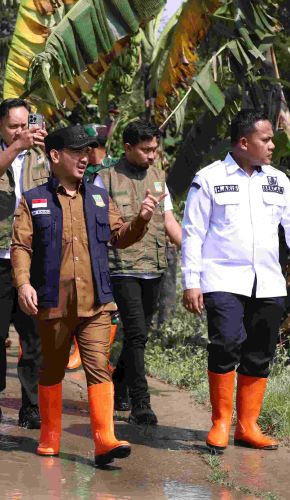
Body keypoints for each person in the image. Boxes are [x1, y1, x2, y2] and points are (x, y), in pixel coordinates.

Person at [11, 125, 166, 466]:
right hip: (53, 303)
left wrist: (140, 220)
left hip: (96, 303)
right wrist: (23, 283)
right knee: (51, 370)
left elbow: (119, 237)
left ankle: (104, 440)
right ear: (55, 156)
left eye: (88, 151)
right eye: (76, 152)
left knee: (99, 367)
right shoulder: (33, 200)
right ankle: (50, 435)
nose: (85, 158)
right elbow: (21, 246)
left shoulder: (98, 197)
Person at [181, 109, 290, 453]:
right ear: (244, 142)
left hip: (268, 282)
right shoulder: (209, 178)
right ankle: (220, 421)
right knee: (226, 343)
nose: (272, 145)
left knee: (260, 352)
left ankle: (247, 425)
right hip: (222, 279)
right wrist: (192, 280)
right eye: (266, 139)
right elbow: (192, 233)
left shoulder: (278, 180)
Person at [92, 120, 182, 425]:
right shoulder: (105, 179)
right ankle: (141, 403)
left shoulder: (158, 177)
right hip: (122, 266)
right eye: (145, 150)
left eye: (155, 149)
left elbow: (168, 219)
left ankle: (118, 382)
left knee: (138, 335)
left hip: (154, 266)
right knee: (137, 333)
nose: (152, 156)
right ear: (128, 148)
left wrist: (192, 250)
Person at [0, 98, 48, 428]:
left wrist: (47, 147)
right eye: (14, 126)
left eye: (25, 125)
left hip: (34, 261)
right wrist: (16, 147)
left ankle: (31, 404)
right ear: (1, 127)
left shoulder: (44, 154)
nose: (21, 131)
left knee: (34, 338)